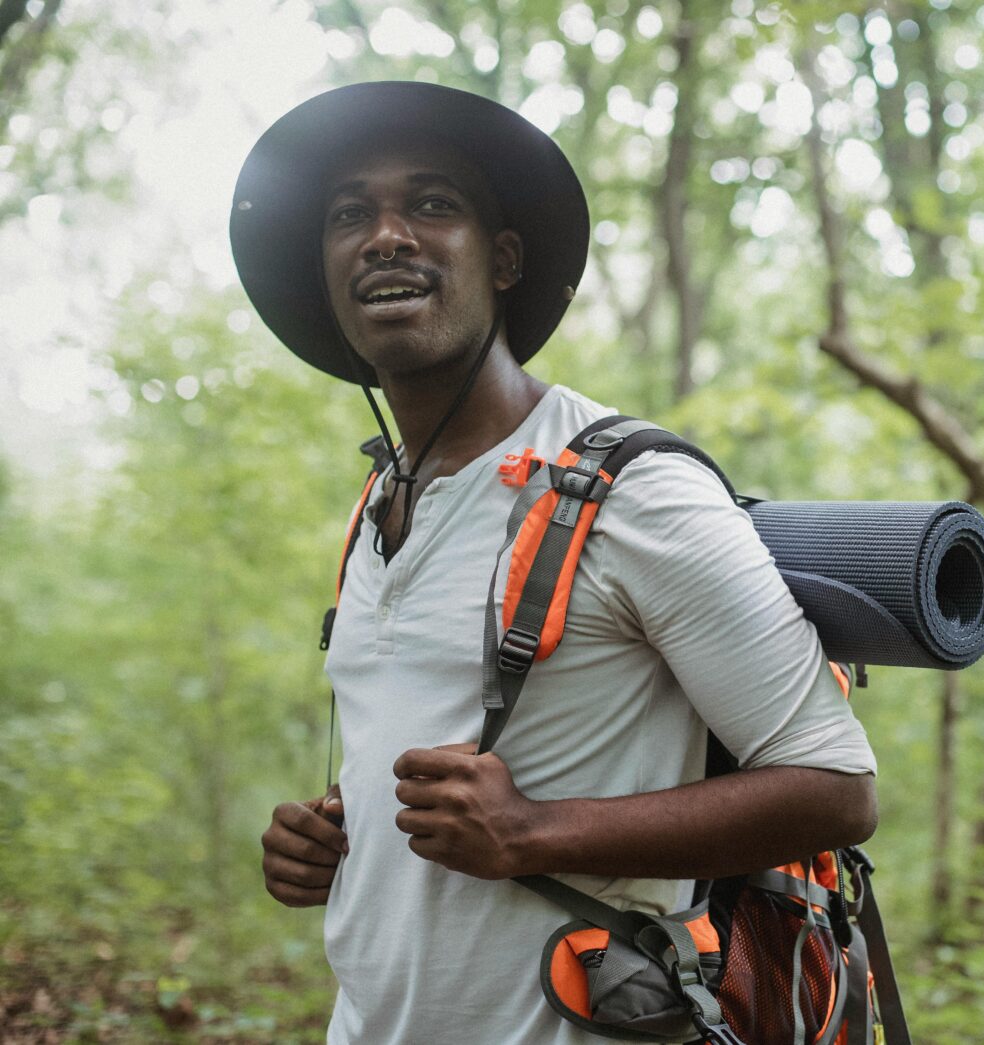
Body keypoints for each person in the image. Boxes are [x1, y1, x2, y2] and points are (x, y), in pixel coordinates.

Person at [230, 82, 878, 1044]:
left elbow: (836, 785)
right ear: (326, 271)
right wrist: (337, 841)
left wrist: (534, 832)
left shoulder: (632, 490)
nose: (388, 235)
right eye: (349, 214)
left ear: (504, 262)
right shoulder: (380, 501)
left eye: (433, 204)